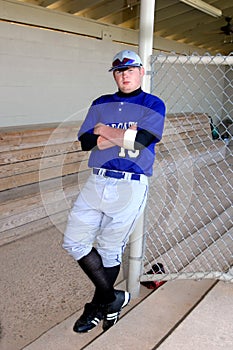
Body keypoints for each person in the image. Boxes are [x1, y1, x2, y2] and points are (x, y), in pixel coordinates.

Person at [63, 50, 166, 333]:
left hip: (130, 183)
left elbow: (141, 142)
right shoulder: (101, 102)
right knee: (74, 242)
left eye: (130, 70)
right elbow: (86, 141)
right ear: (114, 75)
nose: (124, 75)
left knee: (109, 251)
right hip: (97, 180)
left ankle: (96, 308)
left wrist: (104, 131)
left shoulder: (153, 103)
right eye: (119, 71)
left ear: (141, 72)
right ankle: (111, 298)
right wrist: (122, 135)